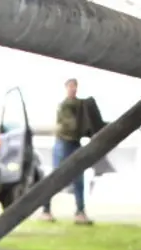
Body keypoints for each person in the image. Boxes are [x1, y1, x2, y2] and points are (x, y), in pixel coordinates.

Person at [43, 78, 93, 225]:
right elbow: (71, 125)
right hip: (63, 143)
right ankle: (46, 210)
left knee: (79, 179)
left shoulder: (80, 104)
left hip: (75, 143)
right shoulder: (65, 105)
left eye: (75, 87)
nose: (73, 89)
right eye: (70, 87)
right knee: (56, 177)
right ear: (66, 88)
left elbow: (84, 124)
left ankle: (80, 212)